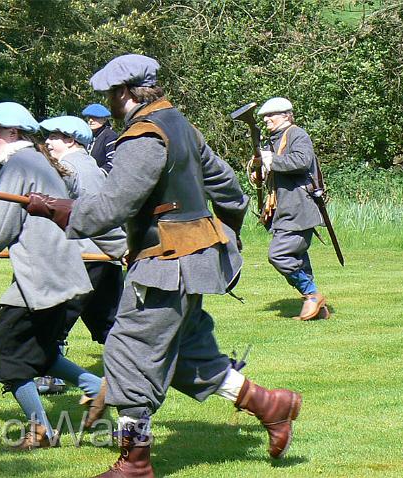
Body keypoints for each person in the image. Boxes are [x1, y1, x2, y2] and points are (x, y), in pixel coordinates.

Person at [27, 54, 302, 476]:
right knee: (190, 356)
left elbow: (115, 204)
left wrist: (63, 212)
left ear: (124, 94)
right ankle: (272, 405)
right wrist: (221, 235)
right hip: (190, 260)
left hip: (165, 265)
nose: (109, 102)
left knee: (127, 353)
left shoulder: (144, 135)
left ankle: (134, 462)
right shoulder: (180, 125)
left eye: (109, 95)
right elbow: (229, 188)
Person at [0, 102, 107, 450]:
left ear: (13, 133)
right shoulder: (39, 160)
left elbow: (0, 226)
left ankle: (42, 431)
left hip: (42, 278)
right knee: (42, 352)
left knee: (6, 357)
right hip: (63, 273)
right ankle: (97, 387)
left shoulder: (19, 164)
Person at [35, 115, 127, 394]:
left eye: (53, 137)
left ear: (71, 140)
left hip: (85, 257)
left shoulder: (75, 169)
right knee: (109, 324)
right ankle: (132, 373)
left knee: (55, 320)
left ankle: (50, 376)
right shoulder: (86, 167)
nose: (48, 143)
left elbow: (90, 217)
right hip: (100, 257)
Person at [255, 97, 329, 321]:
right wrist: (259, 170)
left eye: (271, 115)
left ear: (286, 115)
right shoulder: (273, 140)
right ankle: (317, 308)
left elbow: (302, 161)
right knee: (298, 258)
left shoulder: (297, 134)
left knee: (278, 255)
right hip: (283, 211)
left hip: (299, 210)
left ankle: (311, 294)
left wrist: (272, 161)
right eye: (265, 116)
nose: (266, 119)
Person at [82, 103, 118, 174]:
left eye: (95, 117)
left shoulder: (110, 136)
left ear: (104, 120)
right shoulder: (88, 135)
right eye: (89, 117)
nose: (91, 120)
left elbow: (113, 162)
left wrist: (98, 175)